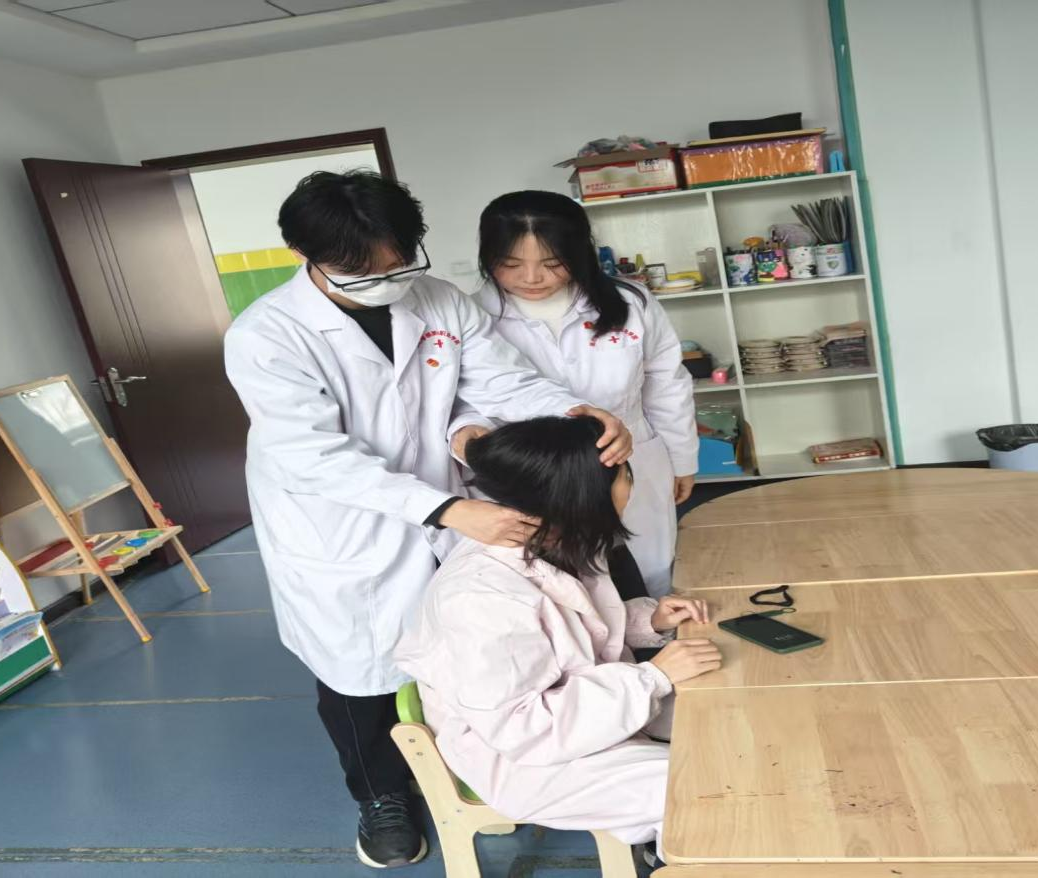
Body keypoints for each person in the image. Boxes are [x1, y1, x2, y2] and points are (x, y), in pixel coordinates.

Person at [223, 171, 633, 869]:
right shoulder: (267, 335)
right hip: (340, 524)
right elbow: (311, 453)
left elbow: (498, 381)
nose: (388, 283)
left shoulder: (439, 299)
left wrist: (571, 413)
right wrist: (445, 508)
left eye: (400, 263)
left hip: (447, 504)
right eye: (364, 273)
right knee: (359, 671)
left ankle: (477, 763)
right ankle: (379, 794)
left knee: (470, 646)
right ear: (303, 253)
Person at [394, 416, 721, 859]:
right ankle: (679, 855)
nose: (631, 486)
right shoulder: (481, 597)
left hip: (582, 714)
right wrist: (652, 678)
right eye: (624, 476)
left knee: (728, 723)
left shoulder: (556, 538)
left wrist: (652, 621)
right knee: (707, 783)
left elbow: (571, 629)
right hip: (528, 760)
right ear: (584, 494)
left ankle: (670, 844)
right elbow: (524, 727)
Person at [448, 190, 699, 598]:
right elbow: (465, 399)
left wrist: (682, 458)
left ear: (578, 252)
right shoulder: (468, 317)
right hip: (539, 481)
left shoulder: (630, 303)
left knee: (649, 576)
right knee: (559, 595)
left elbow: (667, 384)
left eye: (552, 263)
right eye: (510, 264)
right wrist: (467, 436)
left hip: (630, 465)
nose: (531, 278)